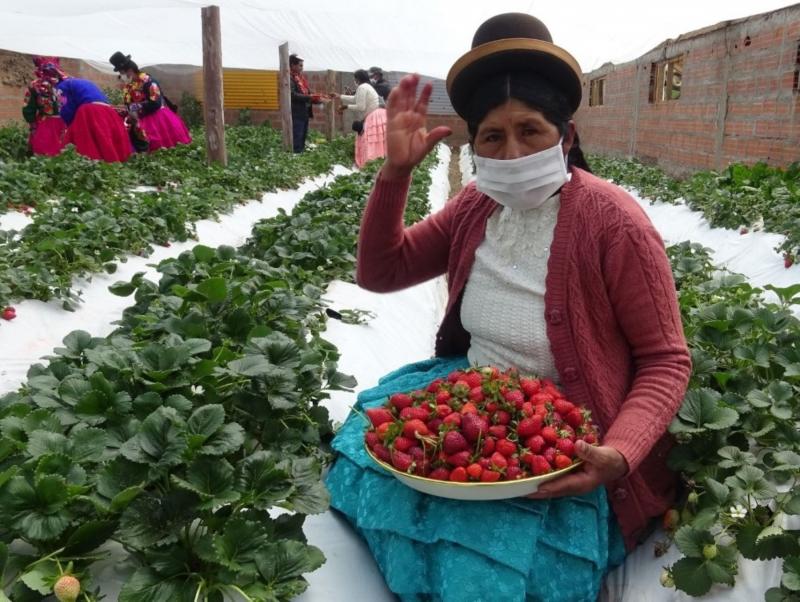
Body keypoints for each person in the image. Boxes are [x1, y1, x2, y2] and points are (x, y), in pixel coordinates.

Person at [325, 12, 691, 601]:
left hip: (569, 436)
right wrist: (395, 174)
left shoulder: (612, 222)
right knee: (375, 471)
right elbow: (381, 272)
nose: (513, 151)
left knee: (495, 571)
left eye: (531, 130)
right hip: (482, 404)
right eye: (493, 136)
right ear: (474, 148)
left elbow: (666, 359)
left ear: (566, 137)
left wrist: (618, 455)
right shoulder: (475, 207)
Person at [38, 62, 131, 163]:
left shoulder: (61, 87)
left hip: (91, 110)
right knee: (105, 140)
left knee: (86, 142)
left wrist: (68, 126)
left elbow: (66, 108)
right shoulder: (75, 81)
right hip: (108, 111)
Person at [109, 51, 191, 151]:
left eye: (122, 73)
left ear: (130, 70)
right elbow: (129, 103)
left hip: (157, 120)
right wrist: (124, 109)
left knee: (162, 148)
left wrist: (132, 107)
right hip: (139, 121)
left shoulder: (148, 81)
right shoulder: (129, 86)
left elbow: (155, 103)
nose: (121, 76)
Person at [334, 69, 387, 167]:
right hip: (379, 114)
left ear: (358, 79)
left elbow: (361, 106)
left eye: (355, 79)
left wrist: (346, 107)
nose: (355, 81)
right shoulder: (366, 86)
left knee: (369, 140)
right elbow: (355, 98)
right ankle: (379, 163)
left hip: (374, 116)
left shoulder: (362, 87)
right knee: (379, 141)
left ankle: (370, 162)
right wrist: (340, 96)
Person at [21, 56, 66, 157]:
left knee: (43, 154)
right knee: (62, 155)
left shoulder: (35, 85)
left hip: (45, 122)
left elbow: (28, 107)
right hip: (60, 122)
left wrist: (32, 123)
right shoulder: (66, 83)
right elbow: (28, 107)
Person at [289, 53, 328, 153]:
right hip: (296, 112)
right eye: (300, 65)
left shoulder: (300, 78)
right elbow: (292, 95)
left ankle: (300, 154)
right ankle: (296, 156)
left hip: (304, 112)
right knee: (297, 136)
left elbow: (308, 93)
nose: (302, 68)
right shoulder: (289, 78)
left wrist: (319, 99)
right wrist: (310, 97)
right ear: (293, 65)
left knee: (302, 135)